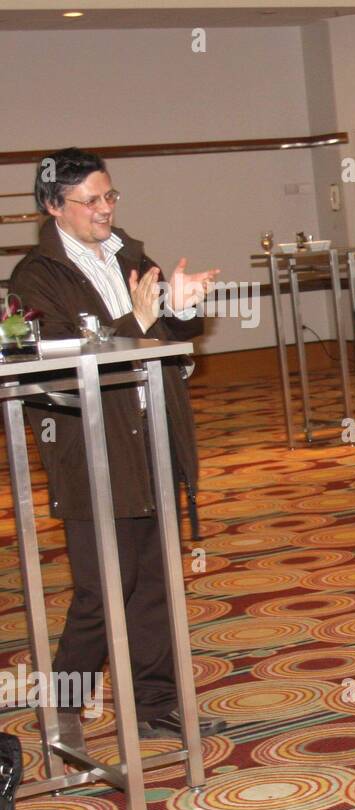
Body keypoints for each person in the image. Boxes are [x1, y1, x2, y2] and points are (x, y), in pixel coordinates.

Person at [9, 148, 226, 746]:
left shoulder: (129, 252)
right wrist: (136, 320)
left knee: (155, 584)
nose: (105, 209)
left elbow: (169, 332)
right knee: (103, 589)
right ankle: (63, 710)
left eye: (110, 196)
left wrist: (181, 308)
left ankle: (156, 705)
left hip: (152, 436)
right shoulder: (35, 277)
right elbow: (60, 366)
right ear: (53, 207)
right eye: (91, 201)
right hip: (92, 453)